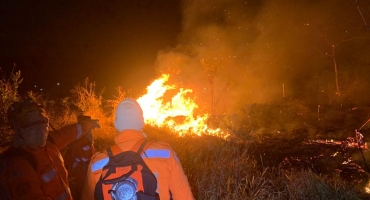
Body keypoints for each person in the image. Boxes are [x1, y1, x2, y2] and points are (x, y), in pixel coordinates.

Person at [81, 98, 194, 200]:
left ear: (116, 124)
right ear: (142, 121)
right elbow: (184, 197)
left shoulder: (97, 162)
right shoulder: (165, 153)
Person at [0, 99, 100, 200]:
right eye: (30, 124)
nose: (39, 129)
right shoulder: (16, 165)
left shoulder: (50, 142)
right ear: (17, 128)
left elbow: (72, 132)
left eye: (42, 122)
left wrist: (89, 124)